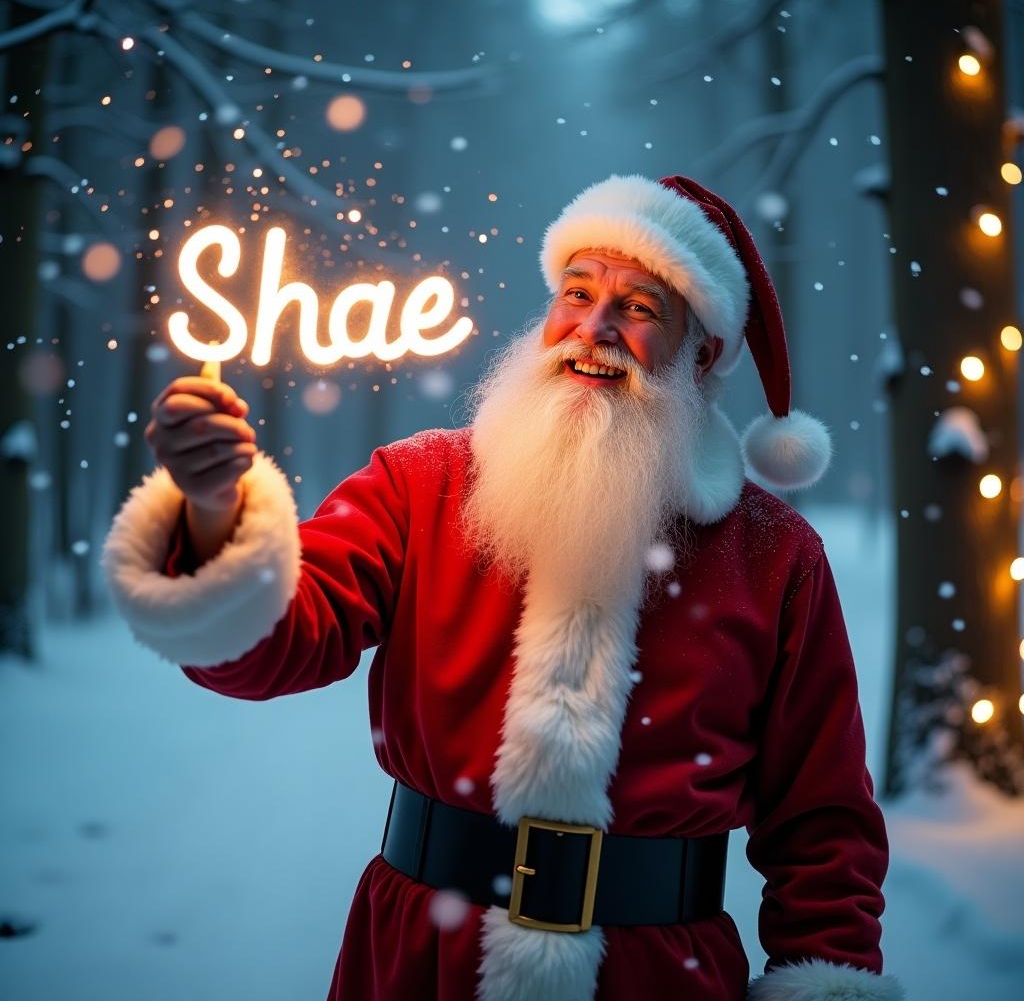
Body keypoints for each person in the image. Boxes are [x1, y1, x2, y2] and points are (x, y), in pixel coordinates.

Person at [103, 174, 902, 1001]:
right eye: (577, 293)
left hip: (659, 976)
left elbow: (823, 826)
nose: (593, 329)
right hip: (421, 961)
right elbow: (267, 651)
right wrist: (209, 514)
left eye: (639, 308)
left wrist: (826, 982)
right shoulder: (420, 484)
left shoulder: (775, 556)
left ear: (700, 355)